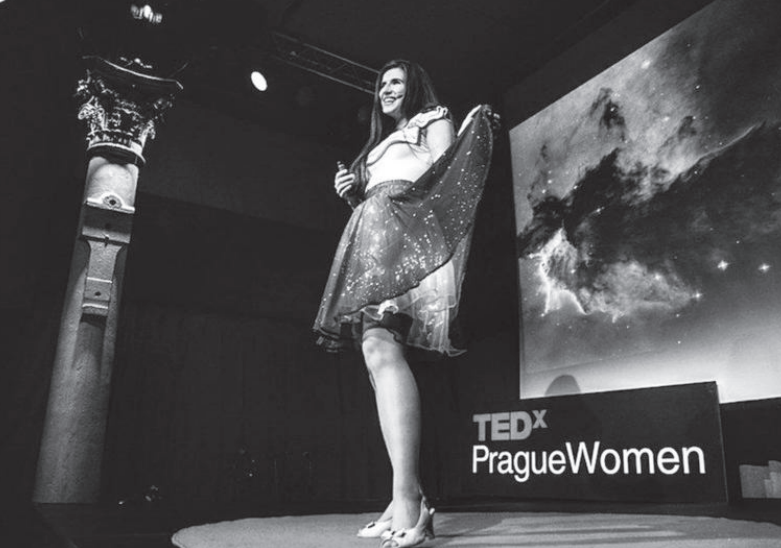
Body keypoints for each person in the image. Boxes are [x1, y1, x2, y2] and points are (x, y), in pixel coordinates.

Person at [313, 59, 495, 548]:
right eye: (382, 85)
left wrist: (471, 131)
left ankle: (409, 501)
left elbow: (450, 178)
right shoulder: (378, 143)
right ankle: (402, 499)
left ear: (415, 86)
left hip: (403, 233)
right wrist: (353, 195)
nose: (386, 90)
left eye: (396, 82)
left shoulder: (432, 118)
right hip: (371, 234)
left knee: (382, 347)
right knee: (375, 356)